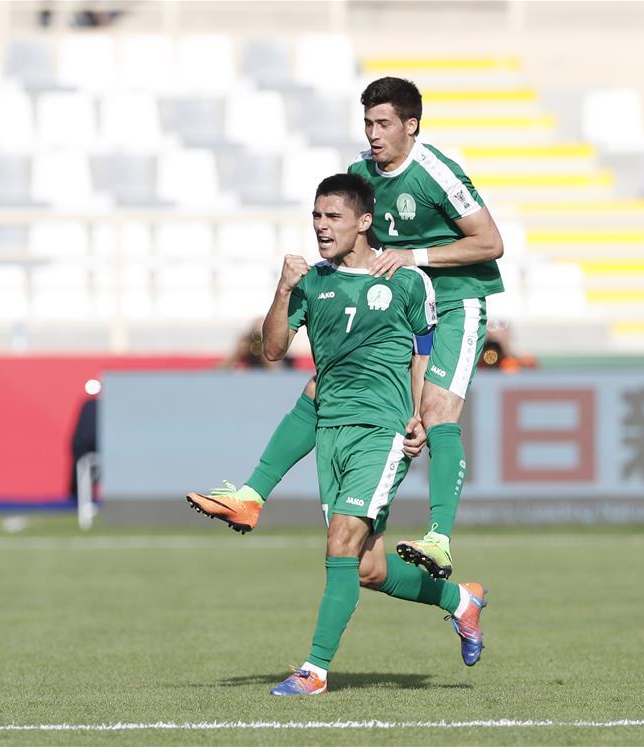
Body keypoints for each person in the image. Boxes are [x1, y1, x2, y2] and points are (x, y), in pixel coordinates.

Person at [191, 77, 504, 581]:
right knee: (325, 385)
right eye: (367, 123)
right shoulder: (362, 173)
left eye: (383, 123)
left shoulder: (435, 173)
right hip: (391, 302)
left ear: (411, 125)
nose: (374, 133)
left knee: (438, 410)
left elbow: (490, 243)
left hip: (452, 302)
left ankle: (440, 538)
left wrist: (413, 256)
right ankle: (251, 495)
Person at [187, 175, 487, 695]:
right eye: (316, 218)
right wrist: (282, 289)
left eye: (333, 217)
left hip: (381, 433)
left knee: (340, 540)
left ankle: (315, 670)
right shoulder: (311, 282)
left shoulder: (406, 281)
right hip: (331, 434)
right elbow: (274, 349)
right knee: (368, 568)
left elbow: (421, 353)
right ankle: (461, 601)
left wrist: (418, 413)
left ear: (364, 222)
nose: (322, 228)